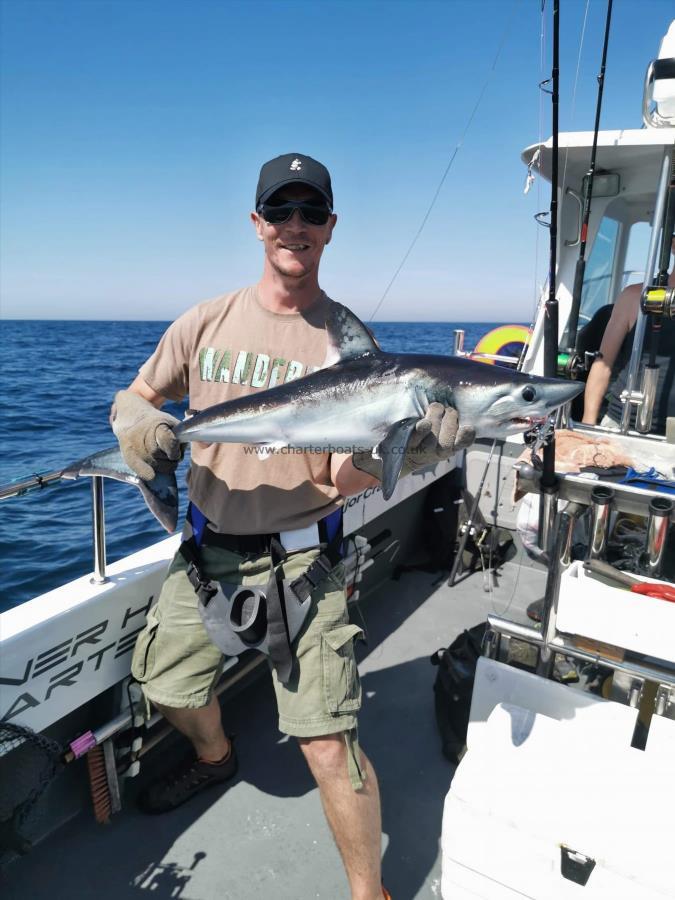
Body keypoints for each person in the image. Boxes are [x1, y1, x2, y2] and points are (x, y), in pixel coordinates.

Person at [110, 153, 467, 900]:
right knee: (164, 686)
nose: (294, 226)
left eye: (310, 213)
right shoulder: (205, 320)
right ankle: (214, 755)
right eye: (281, 211)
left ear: (330, 228)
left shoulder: (348, 341)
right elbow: (139, 393)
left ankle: (369, 893)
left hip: (307, 565)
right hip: (207, 552)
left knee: (327, 746)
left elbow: (340, 480)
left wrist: (406, 449)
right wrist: (142, 425)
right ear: (257, 223)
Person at [582, 246, 675, 432]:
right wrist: (587, 427)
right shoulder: (633, 296)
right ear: (672, 244)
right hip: (621, 421)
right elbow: (602, 366)